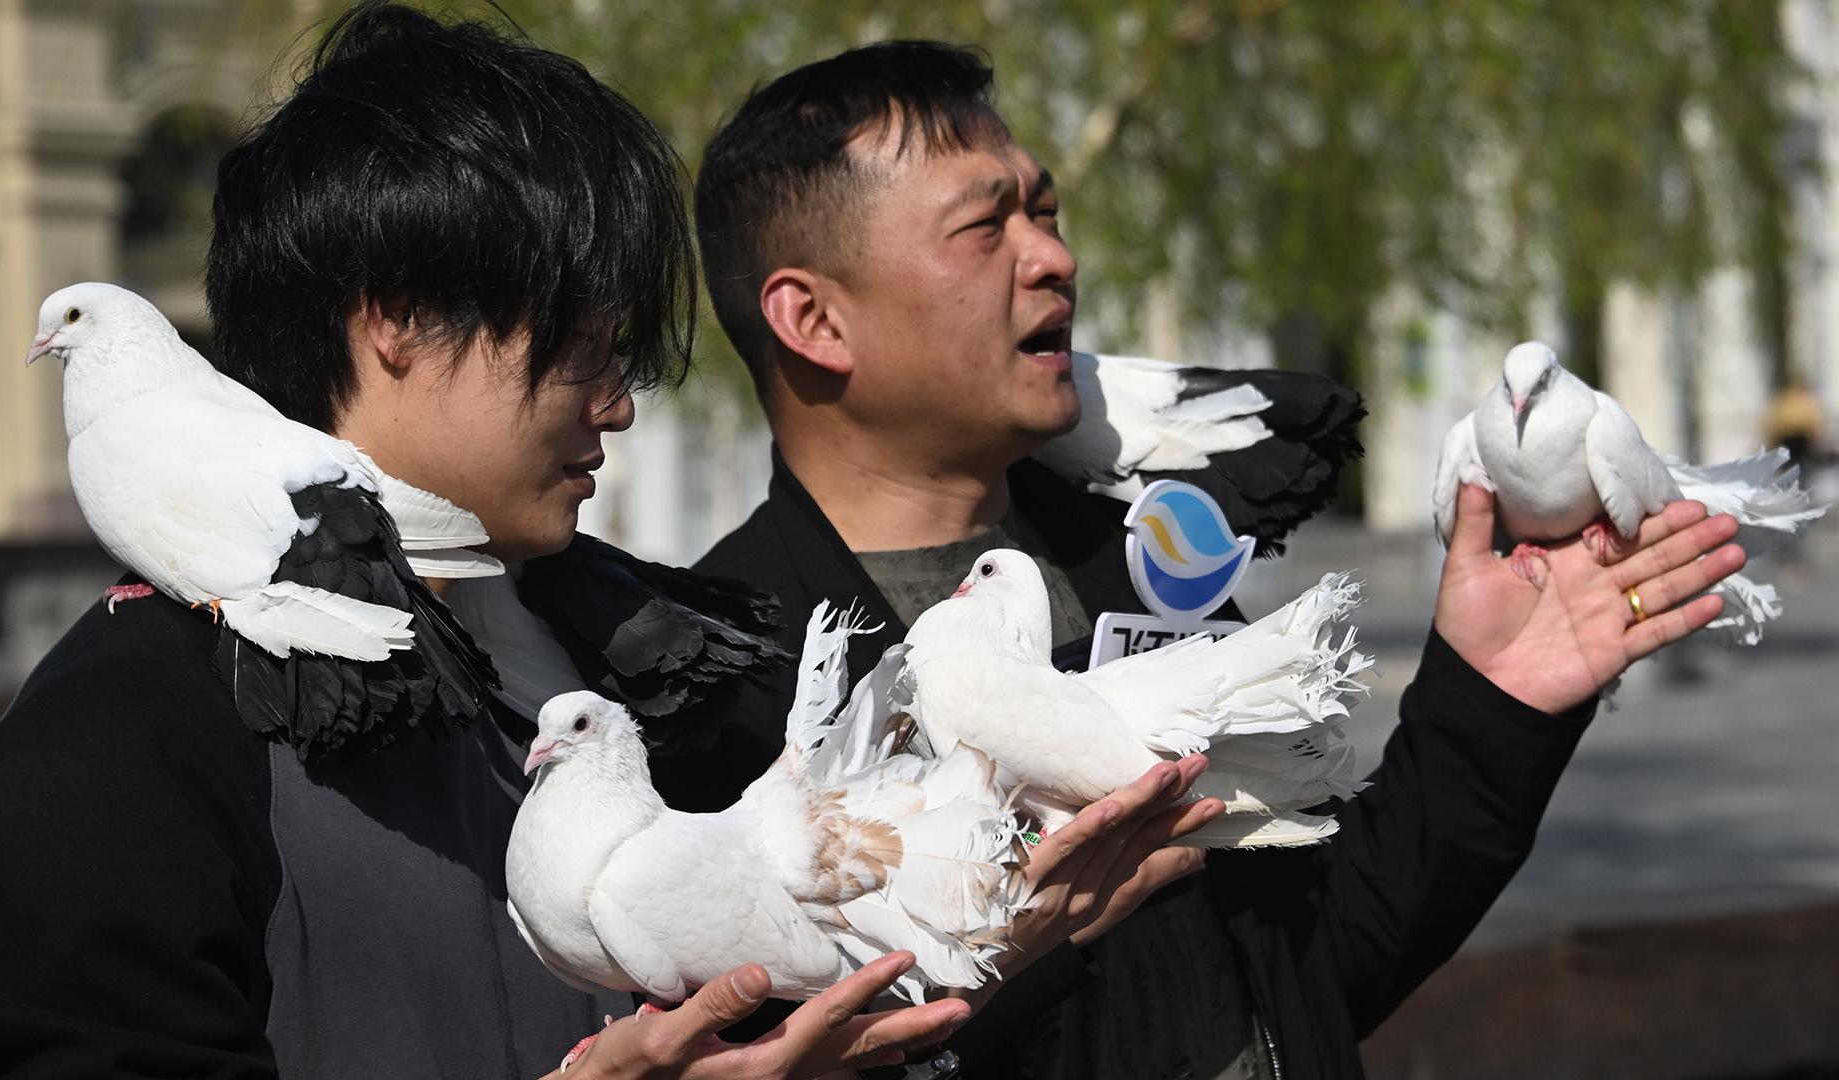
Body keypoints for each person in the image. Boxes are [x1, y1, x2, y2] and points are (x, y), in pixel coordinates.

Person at [0, 10, 1218, 1079]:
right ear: (400, 324)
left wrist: (978, 950)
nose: (619, 399)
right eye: (583, 347)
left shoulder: (669, 658)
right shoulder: (121, 741)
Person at [684, 41, 1751, 1078]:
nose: (1052, 258)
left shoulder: (1135, 564)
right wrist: (1019, 956)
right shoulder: (729, 688)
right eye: (983, 227)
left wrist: (1496, 702)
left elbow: (1314, 961)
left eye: (1045, 212)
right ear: (813, 318)